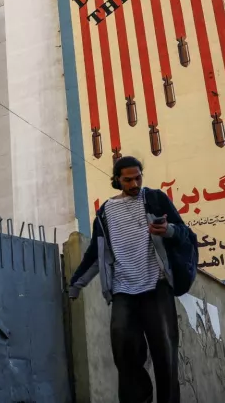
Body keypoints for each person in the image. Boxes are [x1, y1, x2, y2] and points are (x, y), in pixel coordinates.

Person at [67, 156, 193, 403]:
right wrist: (76, 284)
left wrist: (168, 231)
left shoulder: (155, 199)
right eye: (128, 179)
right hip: (123, 290)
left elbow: (185, 234)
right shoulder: (105, 211)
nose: (134, 183)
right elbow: (96, 252)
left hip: (156, 286)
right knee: (124, 352)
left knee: (164, 354)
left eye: (138, 177)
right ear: (117, 180)